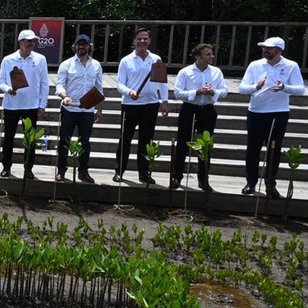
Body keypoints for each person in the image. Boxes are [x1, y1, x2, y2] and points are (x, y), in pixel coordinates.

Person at [238, 36, 305, 198]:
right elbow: (242, 88)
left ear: (279, 50)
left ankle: (270, 185)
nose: (265, 50)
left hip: (278, 113)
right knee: (252, 150)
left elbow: (300, 89)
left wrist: (284, 87)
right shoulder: (255, 65)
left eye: (269, 48)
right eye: (264, 48)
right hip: (256, 112)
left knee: (273, 150)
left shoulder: (291, 65)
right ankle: (251, 183)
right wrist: (256, 86)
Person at [114, 27, 169, 185]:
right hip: (130, 105)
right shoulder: (126, 61)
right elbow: (119, 84)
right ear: (134, 41)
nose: (142, 41)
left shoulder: (156, 59)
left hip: (150, 104)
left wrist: (164, 102)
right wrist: (130, 92)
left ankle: (144, 174)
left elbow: (162, 83)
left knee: (146, 140)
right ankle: (119, 171)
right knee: (125, 139)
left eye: (145, 38)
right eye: (139, 38)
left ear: (149, 41)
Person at [171, 43, 226, 192]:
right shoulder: (185, 72)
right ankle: (177, 176)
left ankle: (203, 179)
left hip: (207, 110)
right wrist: (196, 92)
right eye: (208, 54)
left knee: (205, 147)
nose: (212, 56)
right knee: (182, 144)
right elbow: (177, 93)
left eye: (211, 53)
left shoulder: (216, 72)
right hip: (189, 109)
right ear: (198, 57)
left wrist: (213, 92)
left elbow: (224, 91)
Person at [0, 30, 49, 180]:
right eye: (28, 41)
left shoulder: (40, 59)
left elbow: (44, 83)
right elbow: (1, 81)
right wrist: (8, 89)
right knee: (8, 138)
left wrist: (42, 104)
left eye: (33, 41)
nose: (31, 44)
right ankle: (6, 167)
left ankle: (28, 168)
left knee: (30, 139)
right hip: (11, 104)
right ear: (20, 42)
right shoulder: (8, 60)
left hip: (31, 105)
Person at [54, 34, 103, 183]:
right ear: (74, 46)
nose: (81, 47)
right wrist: (64, 96)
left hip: (87, 110)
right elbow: (59, 85)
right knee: (64, 141)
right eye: (79, 44)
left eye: (84, 44)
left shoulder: (96, 65)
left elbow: (99, 87)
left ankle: (83, 172)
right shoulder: (66, 64)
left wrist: (99, 109)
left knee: (85, 142)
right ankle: (61, 170)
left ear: (89, 46)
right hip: (70, 109)